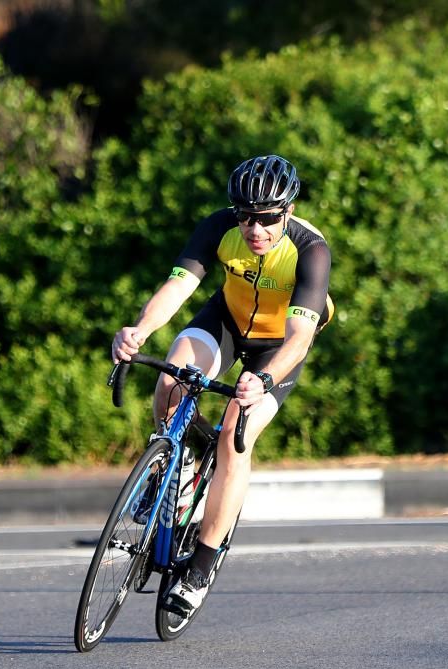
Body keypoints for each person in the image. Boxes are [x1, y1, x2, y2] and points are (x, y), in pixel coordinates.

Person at [111, 154, 333, 614]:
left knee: (237, 430)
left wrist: (266, 378)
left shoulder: (310, 250)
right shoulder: (218, 227)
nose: (256, 229)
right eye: (246, 217)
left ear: (287, 212)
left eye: (268, 219)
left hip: (280, 345)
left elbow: (299, 338)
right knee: (172, 379)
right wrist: (139, 330)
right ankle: (182, 464)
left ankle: (201, 567)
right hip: (228, 321)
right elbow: (177, 288)